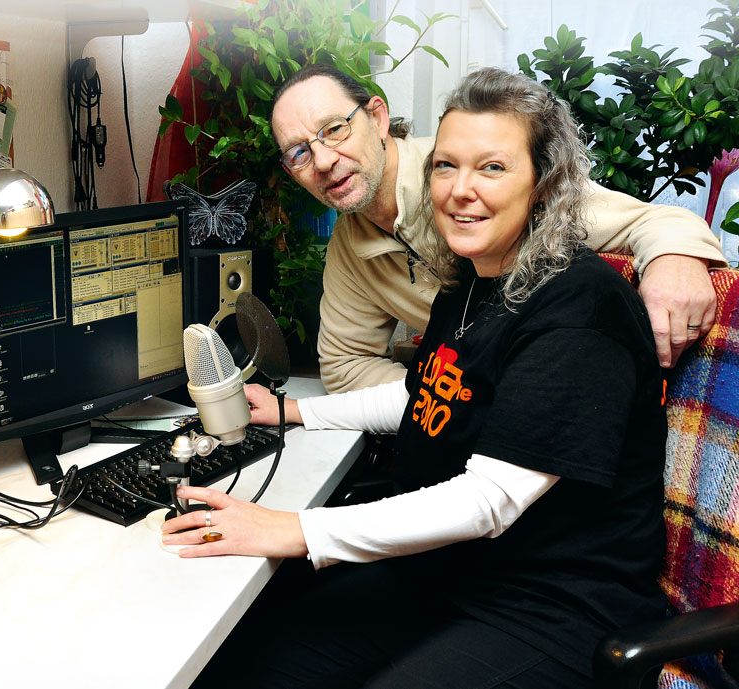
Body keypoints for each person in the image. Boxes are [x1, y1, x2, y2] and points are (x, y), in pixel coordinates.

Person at [163, 68, 669, 688]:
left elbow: (489, 501)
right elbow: (421, 396)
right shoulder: (469, 286)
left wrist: (297, 530)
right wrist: (296, 412)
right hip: (455, 574)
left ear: (543, 184)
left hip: (555, 605)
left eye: (491, 168)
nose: (461, 190)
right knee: (258, 659)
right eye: (445, 166)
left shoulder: (580, 304)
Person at [270, 63, 727, 393]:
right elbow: (346, 369)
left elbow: (653, 220)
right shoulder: (351, 245)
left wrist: (675, 260)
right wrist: (455, 392)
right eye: (298, 152)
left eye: (335, 128)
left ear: (378, 118)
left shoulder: (472, 181)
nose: (324, 160)